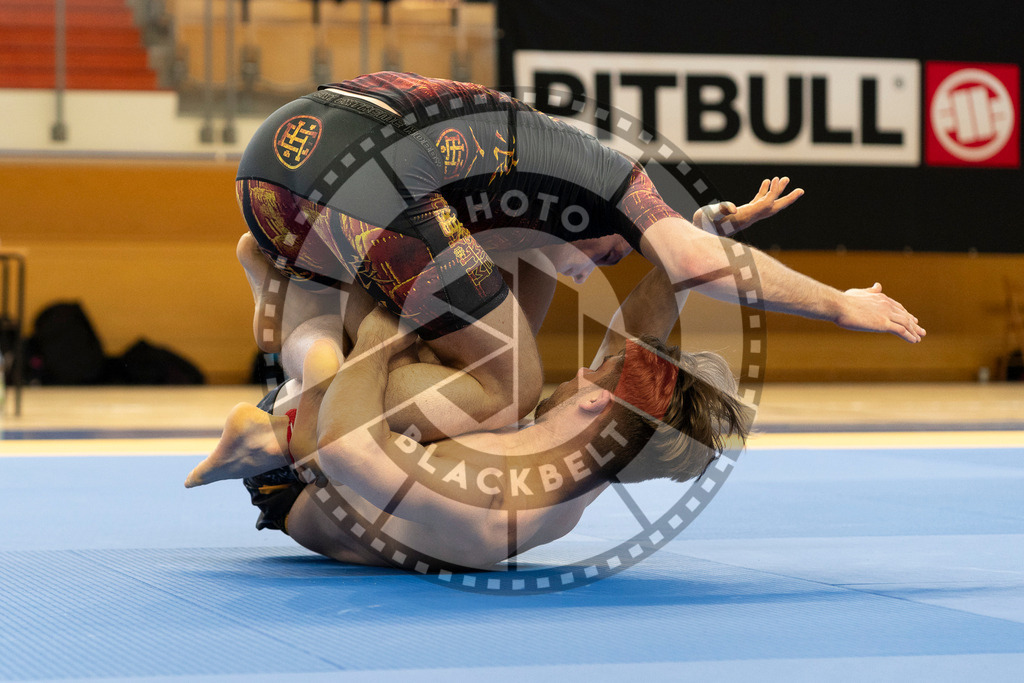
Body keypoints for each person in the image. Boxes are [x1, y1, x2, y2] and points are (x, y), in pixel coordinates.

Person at [235, 71, 925, 441]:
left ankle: (302, 368)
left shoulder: (539, 201)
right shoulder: (613, 181)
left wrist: (710, 221)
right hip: (363, 189)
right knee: (512, 390)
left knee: (466, 342)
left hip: (271, 173)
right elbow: (686, 261)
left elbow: (562, 277)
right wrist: (840, 303)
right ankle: (305, 435)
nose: (593, 267)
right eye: (608, 254)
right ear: (604, 220)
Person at [187, 264, 753, 569]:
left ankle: (267, 425)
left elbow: (343, 449)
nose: (582, 371)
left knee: (405, 345)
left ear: (594, 402)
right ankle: (298, 316)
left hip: (302, 472)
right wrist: (697, 247)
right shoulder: (601, 452)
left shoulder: (494, 502)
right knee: (528, 279)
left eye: (592, 375)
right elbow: (636, 342)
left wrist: (384, 334)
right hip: (361, 446)